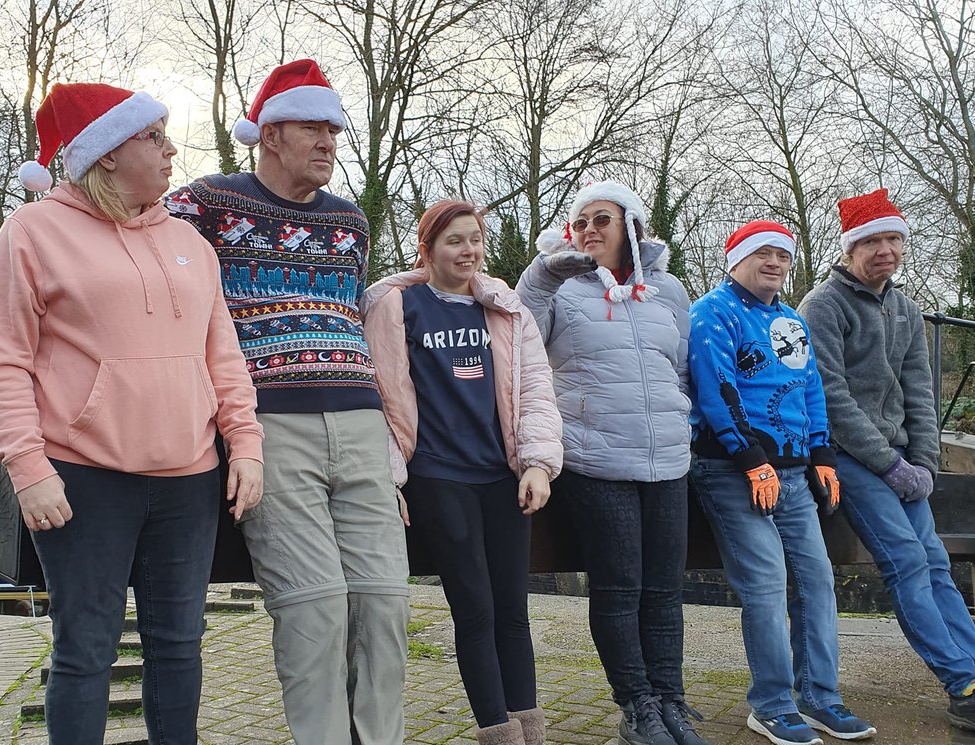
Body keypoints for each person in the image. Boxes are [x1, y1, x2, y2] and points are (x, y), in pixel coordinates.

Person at [0, 82, 265, 745]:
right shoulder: (31, 233)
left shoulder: (191, 242)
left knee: (179, 647)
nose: (170, 152)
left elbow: (223, 354)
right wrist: (27, 465)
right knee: (86, 650)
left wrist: (243, 443)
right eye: (153, 137)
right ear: (107, 153)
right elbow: (1, 360)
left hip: (189, 477)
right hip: (81, 478)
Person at [166, 58, 409, 745]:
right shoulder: (206, 203)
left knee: (386, 603)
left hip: (362, 422)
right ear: (269, 135)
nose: (329, 140)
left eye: (333, 127)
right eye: (313, 126)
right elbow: (126, 229)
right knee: (315, 608)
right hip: (270, 424)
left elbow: (351, 316)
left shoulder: (351, 222)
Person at [798, 188, 975, 745]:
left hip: (903, 462)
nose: (884, 249)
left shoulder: (906, 308)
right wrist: (889, 464)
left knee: (937, 564)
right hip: (851, 457)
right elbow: (830, 397)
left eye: (893, 238)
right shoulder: (823, 306)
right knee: (909, 564)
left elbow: (920, 387)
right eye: (870, 241)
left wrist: (925, 461)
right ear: (848, 249)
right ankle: (964, 688)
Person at [362, 200, 563, 745]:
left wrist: (539, 465)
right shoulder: (398, 307)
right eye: (454, 240)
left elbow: (535, 389)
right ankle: (497, 733)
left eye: (474, 238)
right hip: (438, 475)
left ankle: (531, 732)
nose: (468, 250)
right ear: (426, 249)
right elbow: (381, 397)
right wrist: (390, 479)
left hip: (502, 476)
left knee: (513, 612)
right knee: (474, 610)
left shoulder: (503, 306)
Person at [516, 182, 708, 745]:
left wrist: (679, 420)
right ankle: (637, 706)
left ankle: (671, 701)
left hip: (668, 460)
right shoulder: (558, 288)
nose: (589, 229)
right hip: (595, 459)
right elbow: (517, 334)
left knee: (666, 591)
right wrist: (543, 272)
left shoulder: (669, 291)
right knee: (620, 590)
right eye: (580, 221)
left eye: (603, 218)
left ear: (631, 225)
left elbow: (679, 369)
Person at [688, 220, 876, 745]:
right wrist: (750, 457)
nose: (774, 263)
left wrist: (822, 455)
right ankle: (771, 703)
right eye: (763, 254)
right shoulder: (711, 314)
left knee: (816, 580)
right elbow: (716, 389)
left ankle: (820, 696)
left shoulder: (793, 320)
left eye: (783, 256)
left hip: (795, 474)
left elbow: (810, 389)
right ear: (738, 259)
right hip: (732, 470)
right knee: (766, 585)